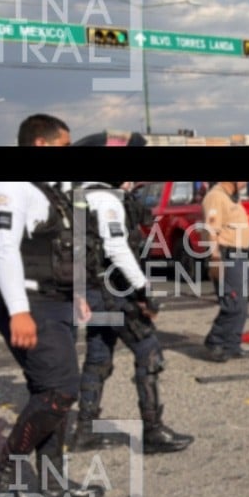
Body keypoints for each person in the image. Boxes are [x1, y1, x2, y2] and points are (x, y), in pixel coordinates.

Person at [0, 114, 103, 497]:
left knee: (50, 392)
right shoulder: (6, 184)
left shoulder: (42, 188)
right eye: (65, 146)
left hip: (51, 299)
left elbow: (57, 249)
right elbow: (5, 250)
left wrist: (76, 295)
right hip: (28, 302)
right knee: (60, 391)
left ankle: (51, 485)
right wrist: (20, 312)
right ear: (43, 145)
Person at [71, 135, 193, 454]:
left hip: (93, 292)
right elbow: (115, 248)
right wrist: (143, 289)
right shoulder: (106, 200)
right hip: (114, 291)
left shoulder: (81, 195)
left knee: (98, 357)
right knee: (148, 350)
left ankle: (84, 429)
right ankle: (152, 431)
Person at [201, 181, 249, 362]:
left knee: (242, 303)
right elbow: (211, 231)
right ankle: (214, 341)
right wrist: (215, 259)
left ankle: (232, 345)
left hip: (239, 255)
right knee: (232, 303)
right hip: (227, 256)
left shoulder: (230, 197)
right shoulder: (216, 197)